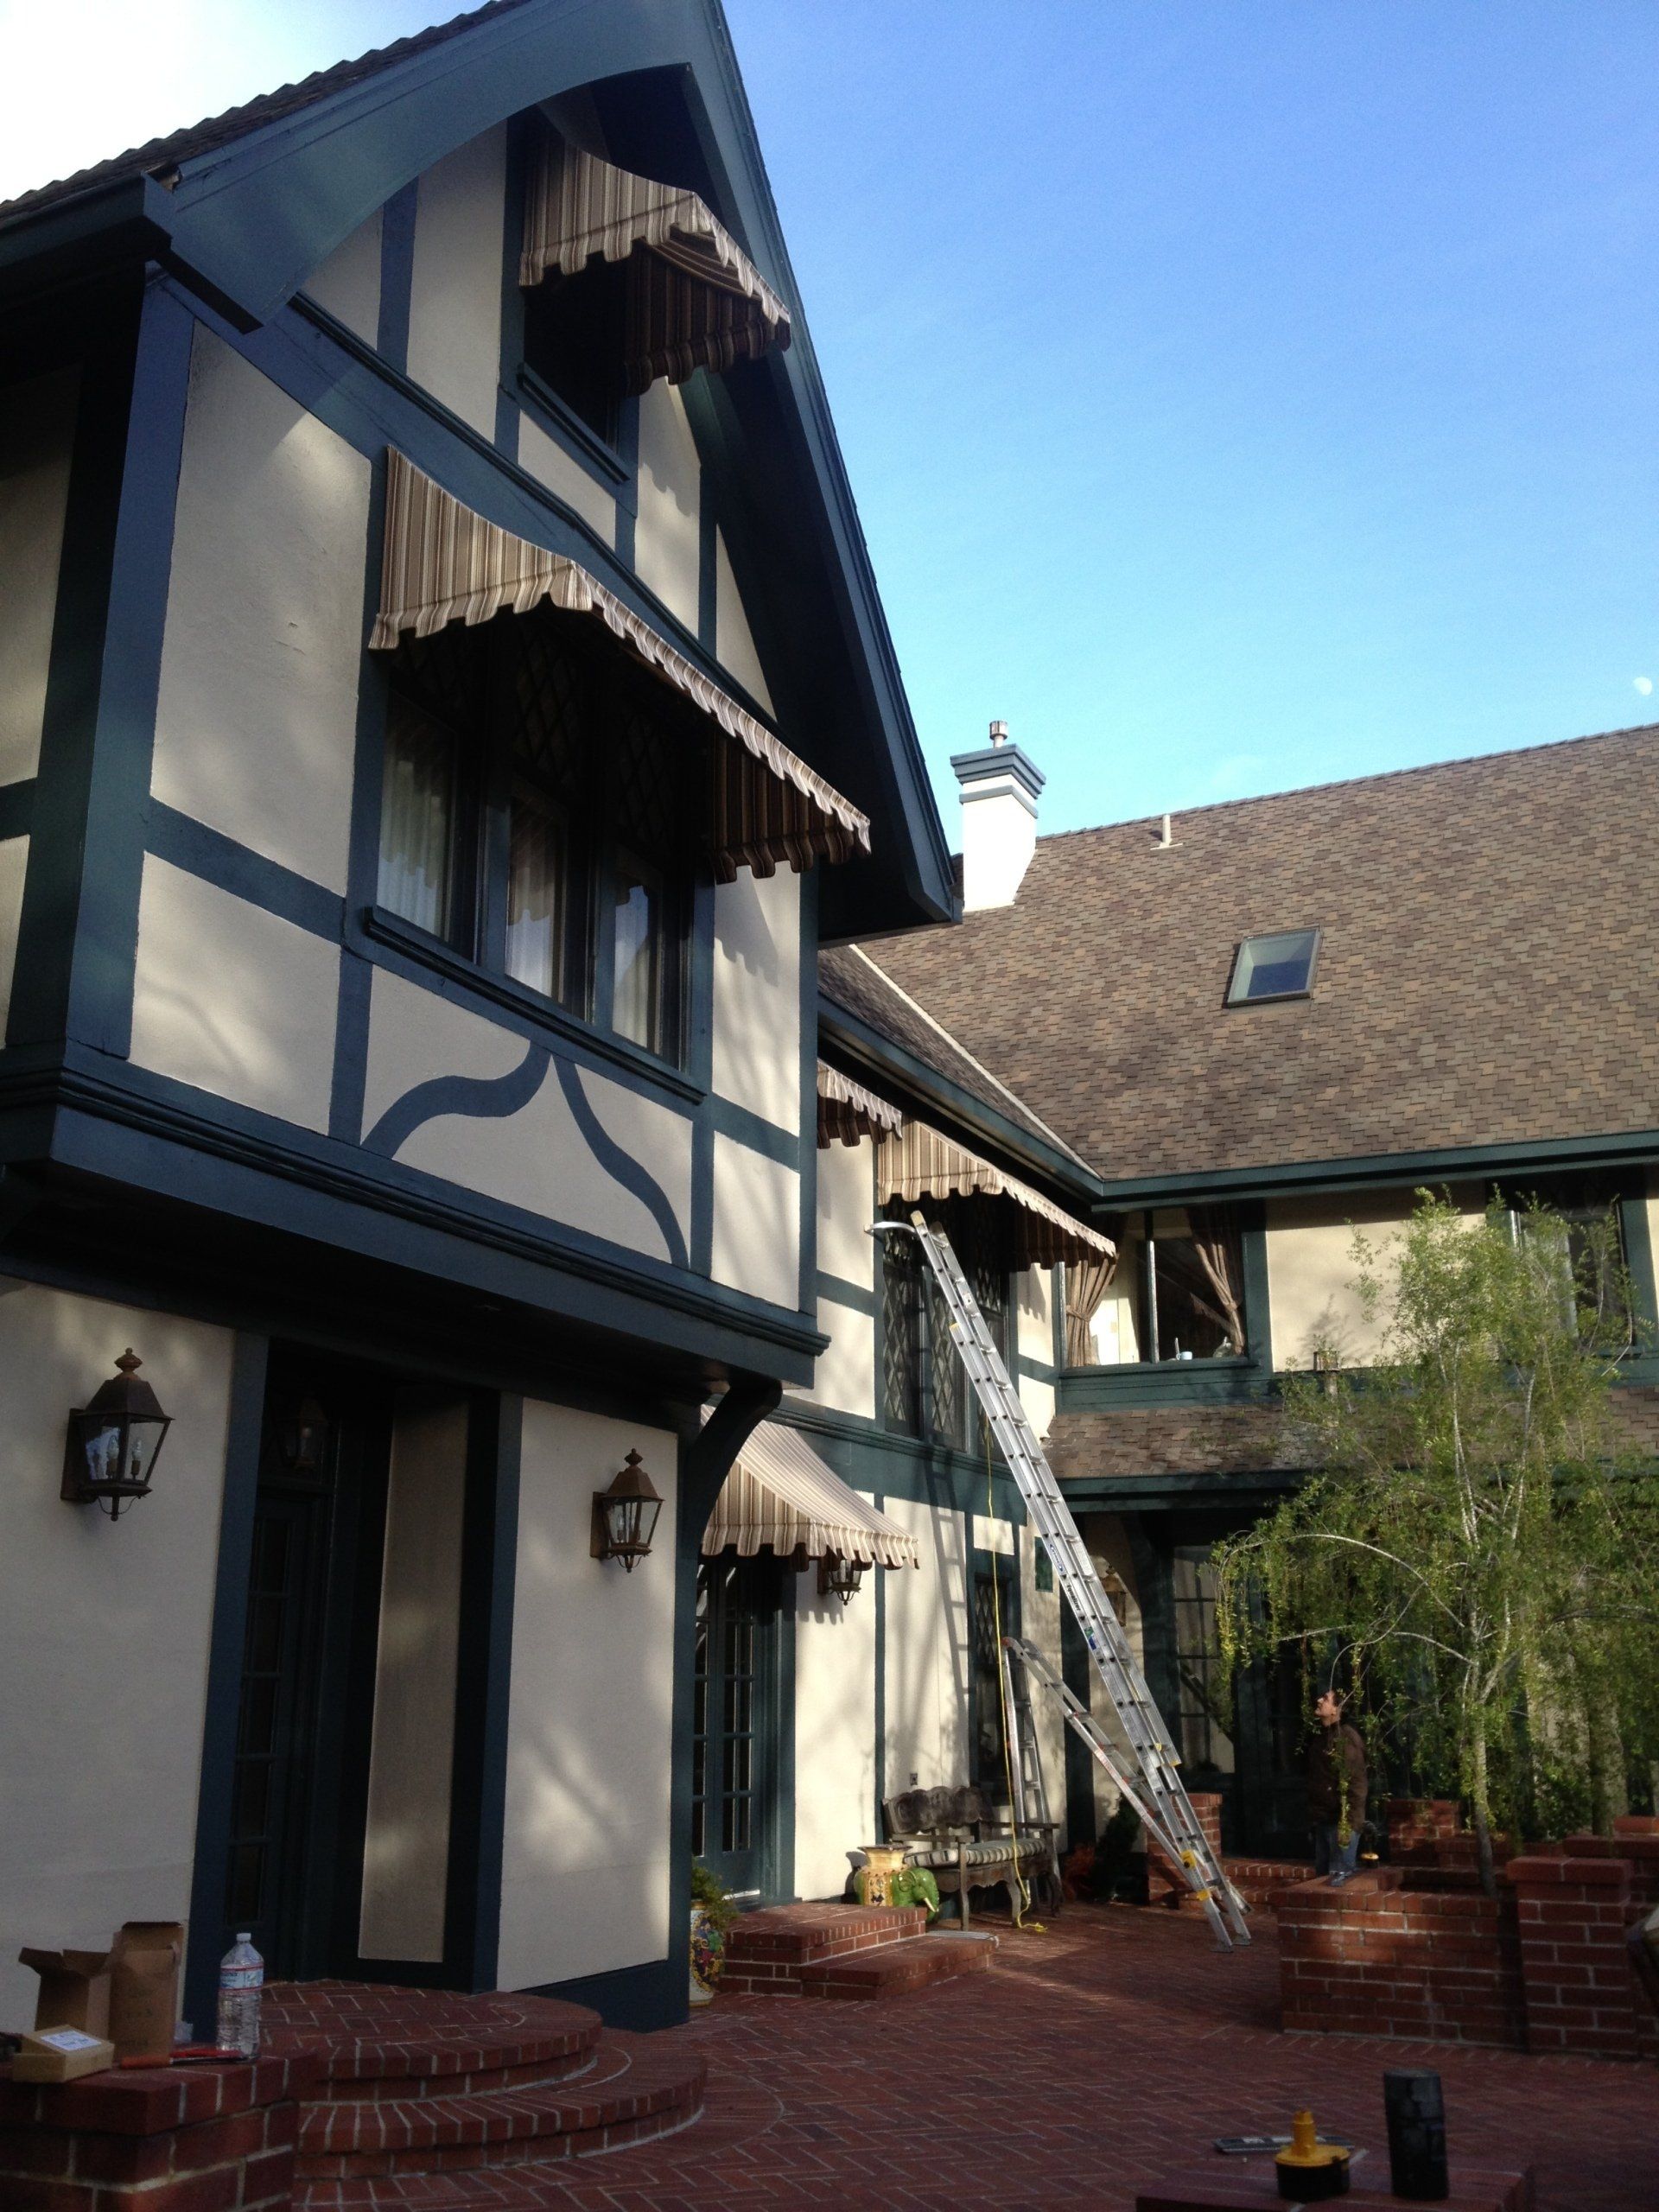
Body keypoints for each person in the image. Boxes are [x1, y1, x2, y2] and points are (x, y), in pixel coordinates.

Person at [1306, 1688, 1367, 1885]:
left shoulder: (1346, 1739)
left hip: (1341, 1822)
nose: (1318, 1700)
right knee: (1322, 1881)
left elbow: (1356, 1784)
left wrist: (1348, 1823)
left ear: (1336, 1709)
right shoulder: (1321, 1738)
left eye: (1325, 1698)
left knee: (1340, 1882)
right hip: (1324, 1819)